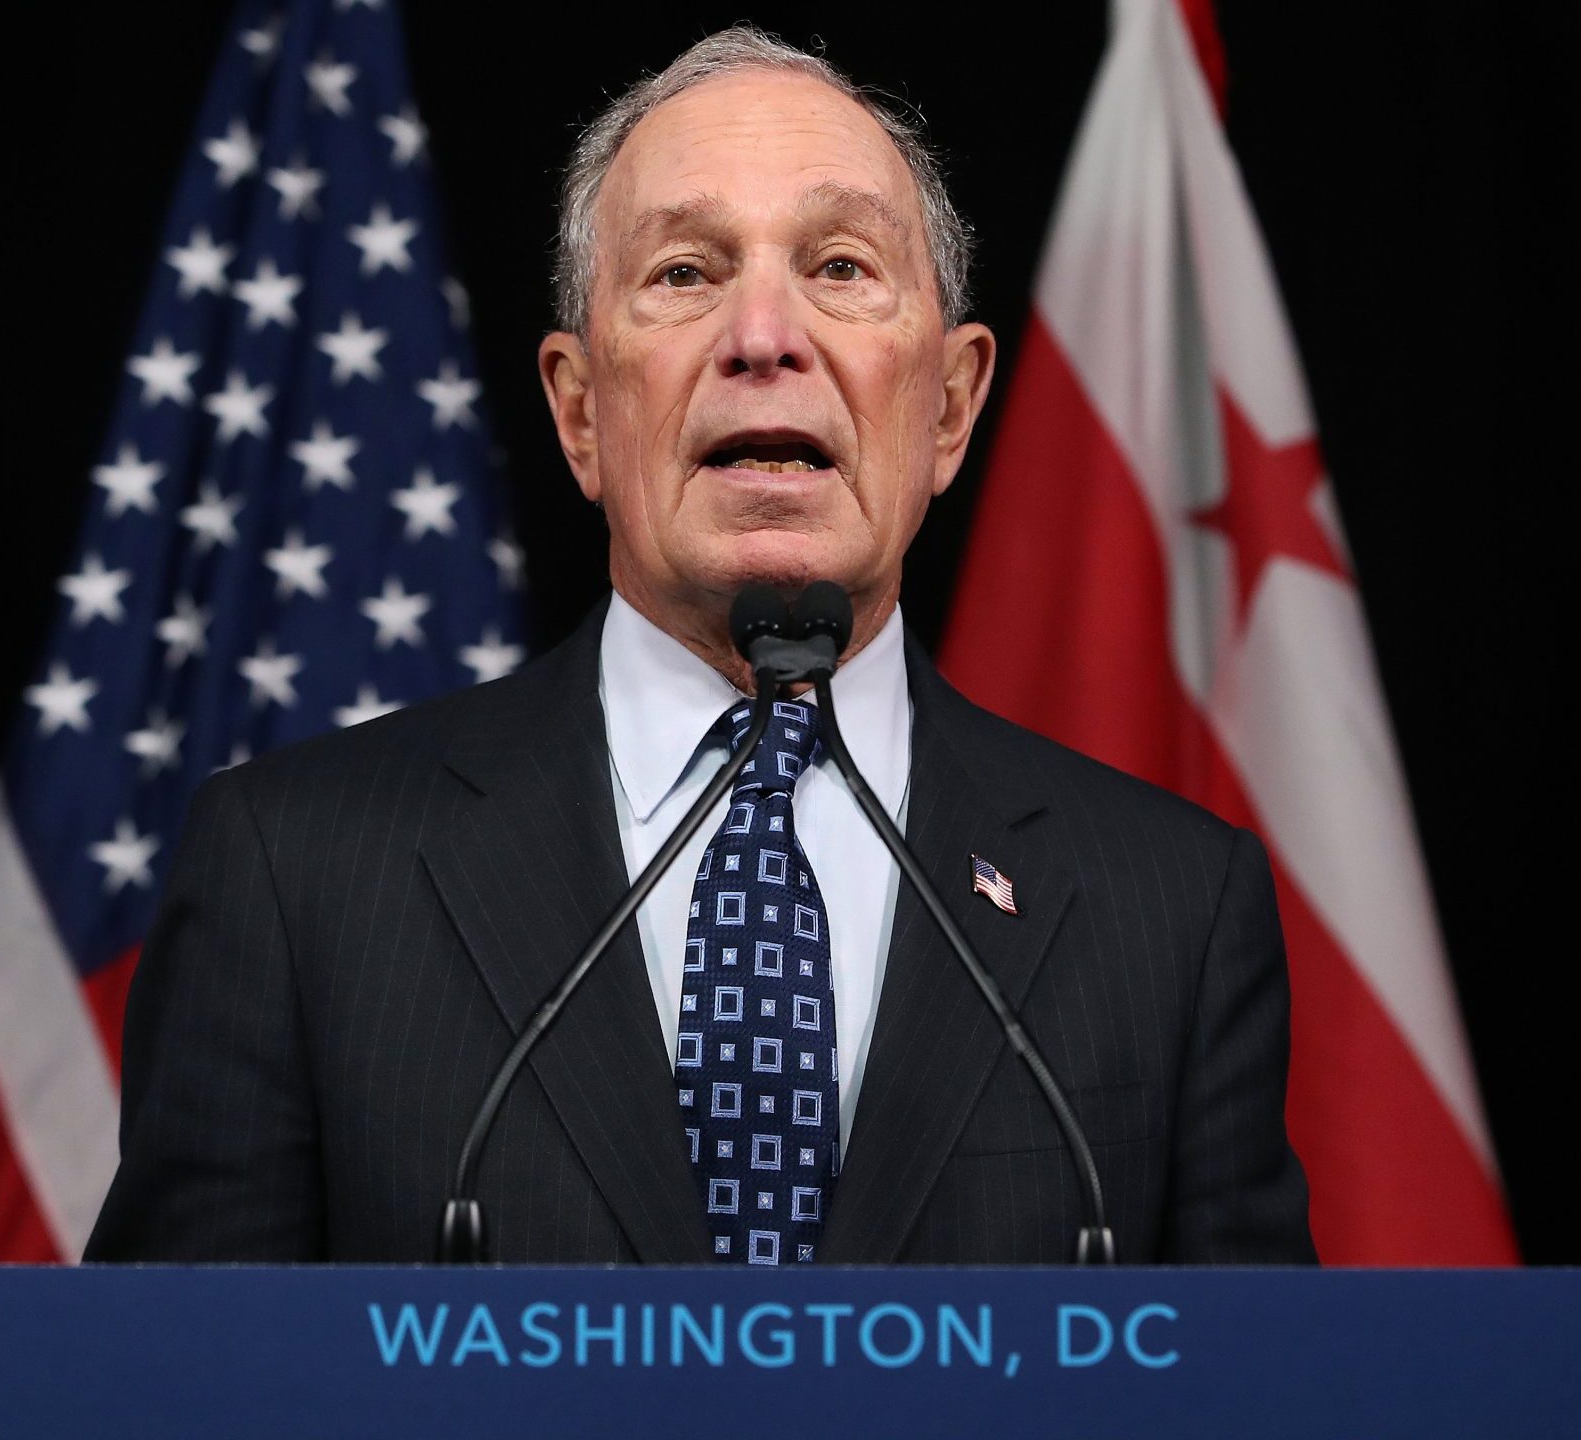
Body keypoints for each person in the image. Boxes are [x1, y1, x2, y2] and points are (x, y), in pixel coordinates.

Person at [85, 26, 1313, 1267]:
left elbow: (1256, 1396)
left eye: (839, 266)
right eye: (683, 273)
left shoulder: (1172, 911)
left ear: (946, 407)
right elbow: (179, 1386)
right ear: (578, 410)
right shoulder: (295, 876)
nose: (763, 336)